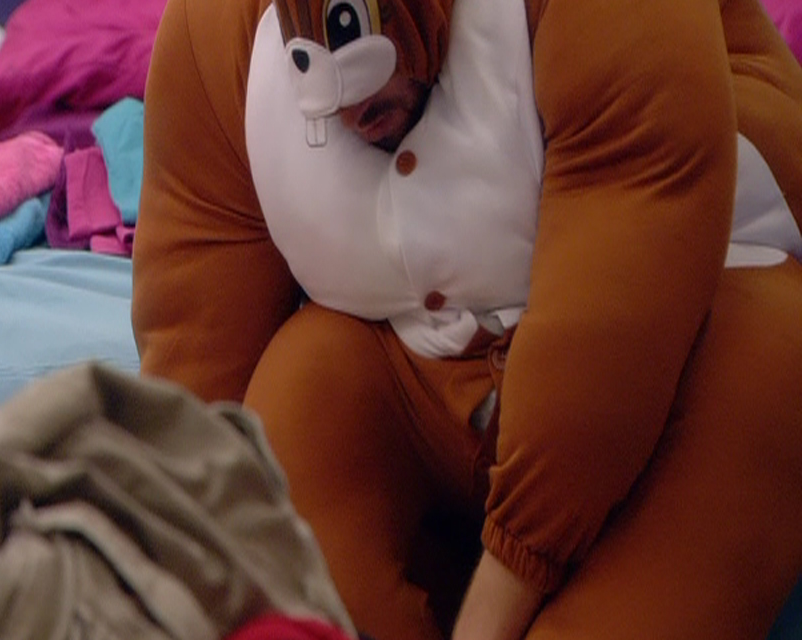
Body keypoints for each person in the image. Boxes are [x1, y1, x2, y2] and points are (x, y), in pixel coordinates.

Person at [131, 0, 802, 637]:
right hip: (412, 357)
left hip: (694, 306)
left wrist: (513, 571)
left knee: (758, 383)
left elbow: (627, 266)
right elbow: (198, 325)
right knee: (294, 411)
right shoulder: (215, 37)